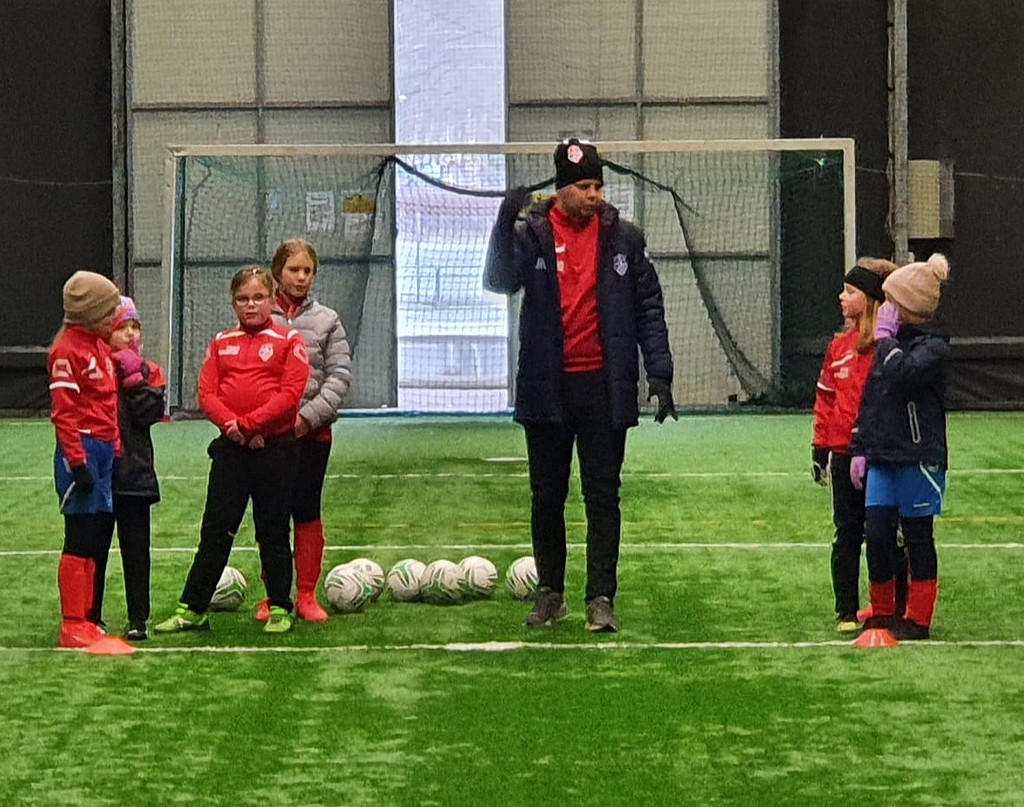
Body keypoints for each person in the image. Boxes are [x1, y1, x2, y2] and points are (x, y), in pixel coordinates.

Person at [483, 138, 677, 633]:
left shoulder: (624, 239)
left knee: (602, 495)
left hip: (604, 389)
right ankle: (551, 593)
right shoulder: (532, 233)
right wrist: (502, 225)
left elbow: (648, 306)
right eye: (585, 187)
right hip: (546, 387)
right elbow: (500, 281)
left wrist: (659, 371)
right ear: (562, 189)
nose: (594, 195)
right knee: (546, 495)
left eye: (598, 186)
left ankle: (601, 598)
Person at [154, 265, 310, 635]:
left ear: (272, 300)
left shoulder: (290, 340)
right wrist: (232, 427)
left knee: (272, 530)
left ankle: (280, 606)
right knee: (215, 530)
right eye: (243, 299)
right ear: (233, 303)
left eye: (258, 297)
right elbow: (207, 392)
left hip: (275, 450)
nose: (251, 305)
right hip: (232, 450)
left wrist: (251, 425)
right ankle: (193, 608)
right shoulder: (221, 342)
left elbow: (290, 395)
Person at [250, 237, 352, 623]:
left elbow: (339, 376)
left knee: (307, 510)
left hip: (313, 435)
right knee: (271, 515)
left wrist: (307, 417)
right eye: (294, 269)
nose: (302, 277)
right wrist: (266, 419)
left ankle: (307, 594)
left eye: (308, 271)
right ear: (278, 272)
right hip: (269, 437)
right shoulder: (260, 317)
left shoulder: (328, 320)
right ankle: (275, 595)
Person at [850, 253, 951, 640]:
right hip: (883, 455)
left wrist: (886, 341)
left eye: (893, 302)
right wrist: (860, 446)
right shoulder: (888, 346)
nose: (886, 309)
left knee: (917, 537)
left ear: (909, 306)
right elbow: (872, 398)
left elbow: (903, 374)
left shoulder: (933, 346)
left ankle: (918, 619)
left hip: (917, 457)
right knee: (876, 534)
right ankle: (883, 611)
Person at [812, 258, 910, 633]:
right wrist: (820, 446)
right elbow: (826, 401)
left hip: (879, 456)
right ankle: (846, 611)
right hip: (842, 454)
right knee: (847, 532)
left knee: (885, 532)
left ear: (869, 300)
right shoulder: (838, 347)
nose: (841, 297)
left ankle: (894, 606)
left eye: (849, 291)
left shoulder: (886, 346)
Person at [48, 270, 123, 648]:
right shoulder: (67, 351)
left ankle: (89, 619)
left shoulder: (100, 347)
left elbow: (107, 404)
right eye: (108, 311)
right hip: (82, 449)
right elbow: (64, 413)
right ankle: (72, 623)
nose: (115, 318)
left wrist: (116, 447)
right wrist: (77, 461)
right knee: (78, 538)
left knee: (95, 537)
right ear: (90, 313)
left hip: (104, 449)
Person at [100, 296, 167, 641]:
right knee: (94, 549)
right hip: (99, 475)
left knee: (137, 551)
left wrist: (133, 378)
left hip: (135, 474)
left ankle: (138, 618)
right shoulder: (96, 367)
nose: (130, 334)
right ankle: (89, 616)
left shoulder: (149, 370)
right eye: (121, 328)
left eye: (134, 327)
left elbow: (148, 414)